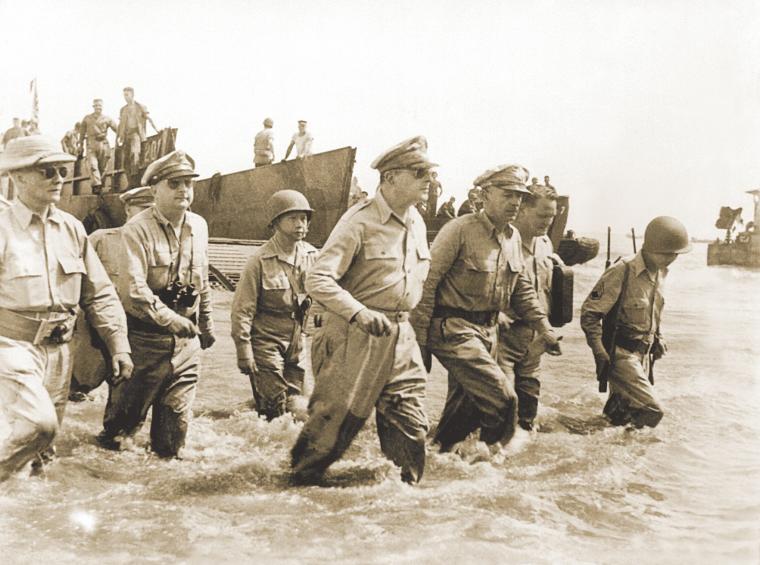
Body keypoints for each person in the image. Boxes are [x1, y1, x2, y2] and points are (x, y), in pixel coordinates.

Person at [291, 135, 436, 484]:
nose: (427, 180)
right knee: (330, 434)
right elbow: (318, 279)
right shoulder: (359, 222)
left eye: (428, 173)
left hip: (401, 337)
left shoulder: (415, 221)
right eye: (418, 173)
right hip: (356, 335)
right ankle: (293, 497)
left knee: (412, 424)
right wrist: (358, 312)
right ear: (390, 178)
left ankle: (404, 503)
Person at [0, 136, 133, 481]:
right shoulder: (3, 229)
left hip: (61, 352)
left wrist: (118, 344)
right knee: (37, 425)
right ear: (17, 177)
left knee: (45, 449)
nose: (59, 178)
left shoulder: (72, 229)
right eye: (47, 171)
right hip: (12, 348)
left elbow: (99, 293)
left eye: (62, 170)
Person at [412, 164, 560, 453]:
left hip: (488, 333)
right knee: (504, 399)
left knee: (463, 413)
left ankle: (438, 462)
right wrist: (419, 341)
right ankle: (492, 465)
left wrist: (545, 328)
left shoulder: (513, 237)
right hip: (454, 329)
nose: (515, 202)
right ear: (484, 195)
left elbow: (521, 289)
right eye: (507, 194)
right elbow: (426, 284)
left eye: (519, 195)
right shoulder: (459, 230)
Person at [96, 150, 215, 457]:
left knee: (172, 442)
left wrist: (206, 323)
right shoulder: (137, 229)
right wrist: (169, 319)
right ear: (154, 190)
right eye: (174, 183)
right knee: (119, 437)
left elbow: (202, 279)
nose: (183, 190)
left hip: (187, 346)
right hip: (144, 343)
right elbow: (134, 291)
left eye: (188, 183)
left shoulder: (199, 226)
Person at [581, 216, 691, 428]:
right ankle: (629, 453)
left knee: (619, 419)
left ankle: (604, 451)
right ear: (651, 248)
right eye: (667, 253)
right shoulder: (623, 270)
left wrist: (658, 337)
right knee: (652, 411)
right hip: (621, 354)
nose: (672, 258)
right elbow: (590, 314)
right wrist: (598, 350)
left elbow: (653, 310)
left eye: (676, 254)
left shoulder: (660, 272)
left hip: (643, 355)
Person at [231, 190, 318, 419]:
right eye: (293, 218)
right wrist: (244, 350)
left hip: (298, 343)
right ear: (276, 222)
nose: (300, 224)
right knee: (274, 410)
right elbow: (242, 310)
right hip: (266, 344)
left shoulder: (312, 256)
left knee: (301, 407)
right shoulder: (258, 261)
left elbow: (327, 299)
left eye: (304, 218)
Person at [69, 186, 155, 401]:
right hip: (96, 329)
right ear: (128, 209)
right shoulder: (101, 239)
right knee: (80, 386)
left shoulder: (157, 246)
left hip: (136, 330)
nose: (148, 216)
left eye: (153, 210)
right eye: (143, 208)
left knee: (125, 391)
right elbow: (78, 283)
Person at [497, 184, 563, 430]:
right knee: (501, 406)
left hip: (535, 342)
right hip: (504, 338)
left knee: (527, 410)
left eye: (551, 216)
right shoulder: (502, 243)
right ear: (523, 209)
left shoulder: (545, 243)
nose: (547, 222)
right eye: (542, 215)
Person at [79, 98, 119, 193]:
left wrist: (120, 139)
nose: (98, 108)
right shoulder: (87, 118)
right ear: (93, 107)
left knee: (103, 167)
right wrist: (80, 145)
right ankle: (96, 185)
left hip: (103, 144)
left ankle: (99, 187)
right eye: (96, 106)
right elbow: (82, 133)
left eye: (100, 106)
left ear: (102, 107)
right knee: (93, 165)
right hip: (91, 144)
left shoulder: (107, 118)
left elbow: (117, 129)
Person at [117, 87, 158, 171]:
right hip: (126, 136)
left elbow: (149, 118)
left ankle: (135, 177)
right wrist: (118, 137)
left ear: (132, 95)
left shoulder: (140, 107)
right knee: (126, 159)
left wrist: (157, 129)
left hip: (136, 134)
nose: (125, 97)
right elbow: (120, 124)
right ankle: (130, 180)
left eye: (127, 95)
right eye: (124, 95)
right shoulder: (123, 109)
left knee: (135, 154)